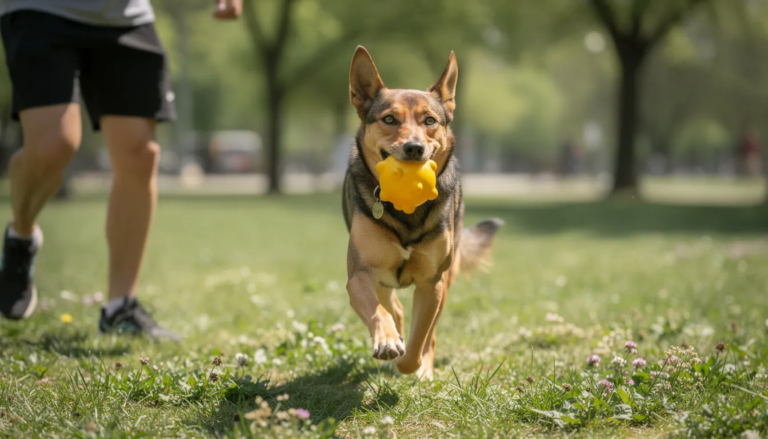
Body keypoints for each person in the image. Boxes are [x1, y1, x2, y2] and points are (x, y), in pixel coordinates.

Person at [0, 0, 242, 340]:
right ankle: (21, 235)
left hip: (125, 16)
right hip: (41, 10)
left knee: (140, 154)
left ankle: (120, 307)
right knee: (54, 145)